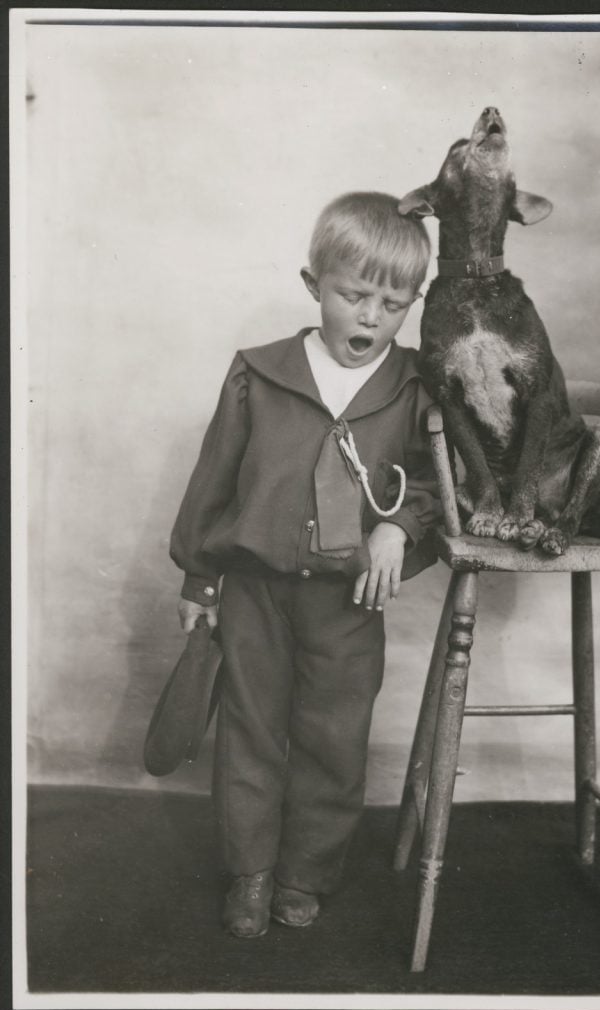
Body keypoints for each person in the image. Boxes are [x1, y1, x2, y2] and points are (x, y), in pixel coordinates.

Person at [170, 191, 440, 938]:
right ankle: (250, 875)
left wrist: (400, 531)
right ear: (311, 283)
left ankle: (303, 876)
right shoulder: (258, 373)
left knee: (332, 740)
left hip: (349, 600)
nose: (370, 316)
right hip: (254, 592)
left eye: (393, 302)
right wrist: (198, 576)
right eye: (353, 295)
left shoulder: (417, 385)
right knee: (251, 733)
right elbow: (214, 479)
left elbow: (435, 480)